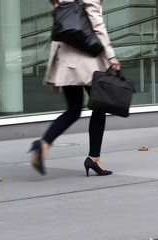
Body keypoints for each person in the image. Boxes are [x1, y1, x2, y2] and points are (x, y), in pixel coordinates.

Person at [29, 0, 120, 176]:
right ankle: (94, 158)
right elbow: (97, 23)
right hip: (86, 61)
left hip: (65, 60)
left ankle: (44, 143)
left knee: (74, 109)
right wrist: (111, 55)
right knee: (100, 107)